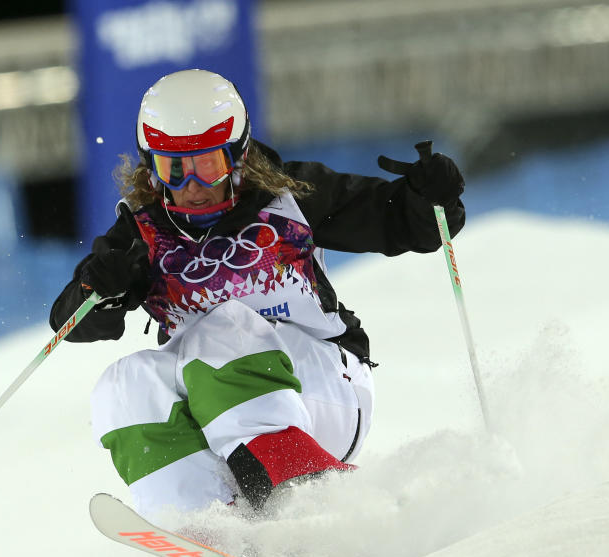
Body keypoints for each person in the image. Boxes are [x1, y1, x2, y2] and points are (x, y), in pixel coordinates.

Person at [50, 68, 465, 521]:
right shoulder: (140, 232)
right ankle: (205, 533)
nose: (193, 188)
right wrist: (100, 288)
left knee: (224, 328)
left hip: (322, 387)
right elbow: (71, 322)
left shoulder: (289, 198)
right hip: (220, 417)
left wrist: (429, 199)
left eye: (208, 165)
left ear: (239, 157)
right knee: (124, 385)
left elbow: (404, 223)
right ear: (153, 170)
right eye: (174, 170)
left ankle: (305, 502)